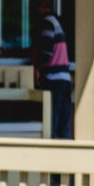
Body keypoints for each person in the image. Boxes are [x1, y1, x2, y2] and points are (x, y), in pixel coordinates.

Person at [34, 11, 74, 139]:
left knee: (52, 124)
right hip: (65, 79)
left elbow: (46, 52)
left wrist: (38, 68)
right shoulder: (58, 24)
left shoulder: (48, 23)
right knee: (64, 127)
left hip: (53, 79)